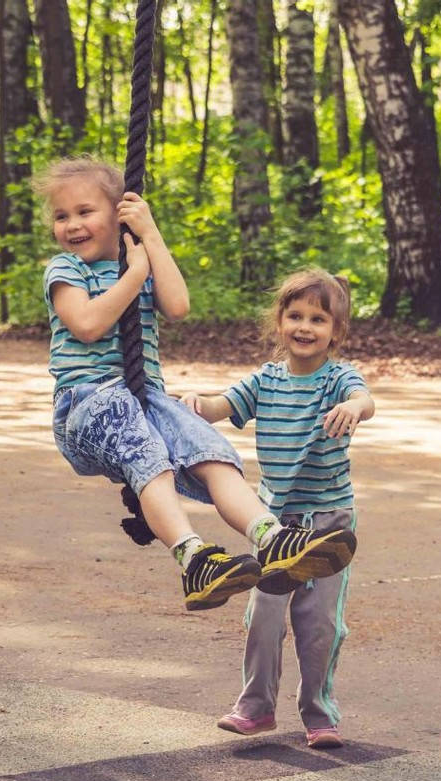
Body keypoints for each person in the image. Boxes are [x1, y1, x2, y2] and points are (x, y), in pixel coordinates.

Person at [34, 157, 357, 612]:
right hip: (87, 403)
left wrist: (150, 237)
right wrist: (133, 276)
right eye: (61, 216)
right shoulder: (66, 269)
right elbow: (87, 325)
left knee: (211, 451)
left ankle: (273, 538)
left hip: (143, 398)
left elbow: (179, 305)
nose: (72, 225)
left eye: (85, 212)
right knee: (151, 460)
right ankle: (193, 557)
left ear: (120, 213)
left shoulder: (138, 260)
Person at [179, 268, 374, 748]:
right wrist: (189, 404)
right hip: (272, 525)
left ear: (336, 332)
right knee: (263, 617)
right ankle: (256, 707)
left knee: (320, 625)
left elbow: (363, 398)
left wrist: (355, 408)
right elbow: (219, 406)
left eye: (318, 319)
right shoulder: (265, 380)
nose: (305, 327)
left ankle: (319, 713)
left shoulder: (338, 379)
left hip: (328, 524)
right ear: (280, 322)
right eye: (296, 316)